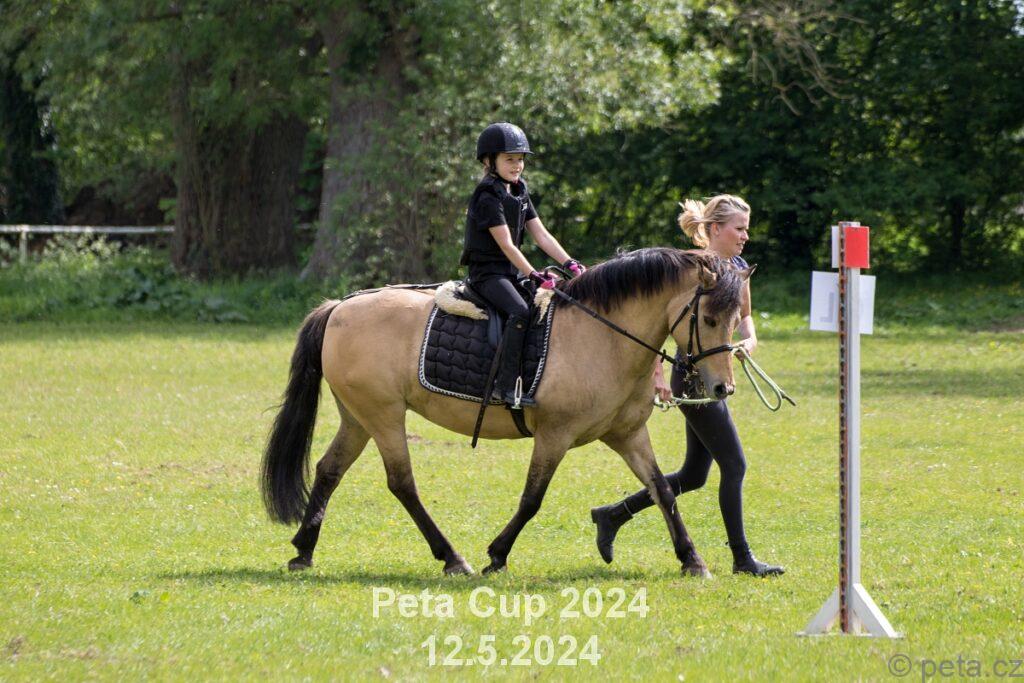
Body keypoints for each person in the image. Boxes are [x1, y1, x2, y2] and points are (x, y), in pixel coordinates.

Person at [589, 194, 784, 577]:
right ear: (716, 229)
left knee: (694, 475)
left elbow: (745, 317)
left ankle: (613, 515)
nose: (745, 236)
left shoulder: (738, 268)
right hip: (692, 378)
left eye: (746, 229)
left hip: (716, 373)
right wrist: (657, 375)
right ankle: (742, 560)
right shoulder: (690, 270)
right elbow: (656, 325)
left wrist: (749, 341)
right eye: (739, 229)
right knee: (735, 465)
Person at [460, 122, 584, 407]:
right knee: (520, 311)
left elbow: (541, 234)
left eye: (520, 159)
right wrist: (535, 275)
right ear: (489, 161)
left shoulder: (519, 190)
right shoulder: (487, 195)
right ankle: (504, 387)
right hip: (488, 275)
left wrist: (570, 262)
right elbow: (507, 245)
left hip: (510, 273)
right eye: (509, 159)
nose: (517, 165)